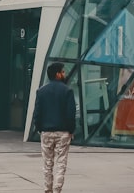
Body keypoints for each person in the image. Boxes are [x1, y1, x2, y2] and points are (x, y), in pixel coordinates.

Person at [33, 62, 76, 193]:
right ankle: (57, 189)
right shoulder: (67, 91)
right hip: (63, 132)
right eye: (63, 72)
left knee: (47, 164)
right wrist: (71, 130)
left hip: (46, 132)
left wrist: (40, 128)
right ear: (57, 74)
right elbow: (71, 114)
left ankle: (47, 189)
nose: (65, 74)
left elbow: (37, 113)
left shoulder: (41, 91)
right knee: (61, 163)